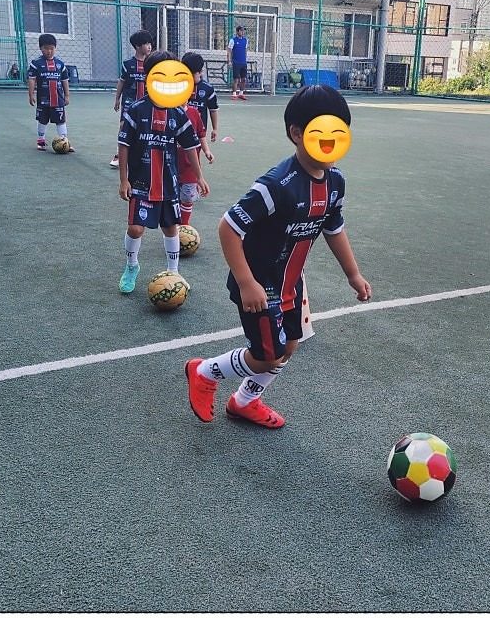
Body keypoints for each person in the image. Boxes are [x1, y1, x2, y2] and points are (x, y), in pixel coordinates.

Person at [184, 85, 371, 428]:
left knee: (290, 347)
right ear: (297, 133)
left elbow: (334, 229)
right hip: (258, 284)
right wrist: (246, 282)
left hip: (290, 282)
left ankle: (244, 401)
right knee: (266, 356)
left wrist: (353, 275)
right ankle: (205, 371)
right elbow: (228, 227)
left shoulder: (335, 183)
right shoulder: (278, 185)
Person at [116, 50, 210, 293]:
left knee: (170, 228)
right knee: (135, 228)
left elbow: (191, 146)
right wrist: (123, 179)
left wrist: (199, 176)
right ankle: (131, 265)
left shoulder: (178, 113)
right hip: (140, 181)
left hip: (169, 182)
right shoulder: (137, 109)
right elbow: (124, 144)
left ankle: (174, 273)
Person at [178, 52, 219, 225]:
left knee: (187, 191)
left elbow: (213, 109)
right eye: (198, 72)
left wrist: (214, 131)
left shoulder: (206, 90)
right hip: (173, 153)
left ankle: (183, 227)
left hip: (194, 143)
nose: (200, 75)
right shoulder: (173, 97)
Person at [111, 30, 154, 169]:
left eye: (150, 43)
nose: (149, 46)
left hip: (147, 104)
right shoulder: (128, 64)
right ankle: (118, 155)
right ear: (137, 46)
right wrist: (117, 99)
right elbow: (122, 82)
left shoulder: (153, 64)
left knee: (147, 128)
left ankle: (146, 155)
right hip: (129, 103)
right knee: (124, 126)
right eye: (146, 44)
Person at [27, 33, 72, 152]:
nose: (49, 51)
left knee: (61, 120)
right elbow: (32, 80)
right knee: (42, 120)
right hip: (43, 99)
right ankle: (41, 140)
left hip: (58, 99)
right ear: (41, 48)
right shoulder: (36, 63)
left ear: (55, 48)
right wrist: (31, 94)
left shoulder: (60, 64)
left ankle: (64, 141)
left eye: (52, 48)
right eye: (46, 48)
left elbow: (64, 80)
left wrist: (67, 95)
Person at [226, 25, 248, 100]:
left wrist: (245, 60)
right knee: (236, 79)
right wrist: (229, 61)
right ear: (237, 31)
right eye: (241, 30)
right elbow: (229, 51)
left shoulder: (245, 40)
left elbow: (245, 51)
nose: (243, 32)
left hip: (243, 63)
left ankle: (241, 93)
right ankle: (234, 94)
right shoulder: (233, 40)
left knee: (244, 79)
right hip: (236, 62)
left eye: (243, 30)